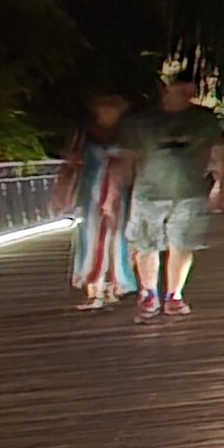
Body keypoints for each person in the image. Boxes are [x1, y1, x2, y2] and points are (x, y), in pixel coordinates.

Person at [119, 69, 224, 319]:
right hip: (148, 192)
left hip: (190, 191)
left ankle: (174, 295)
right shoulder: (143, 121)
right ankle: (149, 293)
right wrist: (121, 189)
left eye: (191, 90)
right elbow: (128, 157)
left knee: (182, 244)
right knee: (145, 245)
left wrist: (221, 185)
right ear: (167, 89)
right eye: (182, 89)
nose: (187, 95)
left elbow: (220, 152)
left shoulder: (204, 120)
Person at [57, 92, 139, 308]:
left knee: (118, 239)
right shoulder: (84, 134)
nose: (107, 113)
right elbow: (70, 162)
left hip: (120, 194)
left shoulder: (129, 135)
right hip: (90, 194)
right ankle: (94, 289)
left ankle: (115, 286)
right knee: (90, 239)